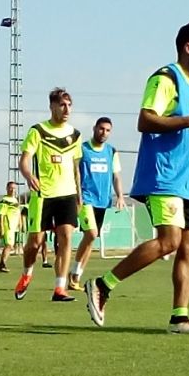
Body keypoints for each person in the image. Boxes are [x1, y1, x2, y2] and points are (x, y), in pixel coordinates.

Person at [84, 20, 189, 335]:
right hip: (164, 176)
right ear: (188, 47)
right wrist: (188, 119)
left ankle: (180, 318)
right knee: (169, 241)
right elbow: (145, 120)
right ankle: (103, 285)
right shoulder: (165, 78)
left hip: (188, 182)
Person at [16, 87, 83, 301]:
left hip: (68, 194)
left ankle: (60, 288)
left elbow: (76, 169)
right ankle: (27, 274)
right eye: (62, 105)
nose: (66, 109)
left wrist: (79, 196)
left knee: (66, 238)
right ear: (52, 106)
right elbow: (25, 159)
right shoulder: (38, 131)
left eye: (69, 105)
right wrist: (28, 175)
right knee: (35, 242)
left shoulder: (75, 135)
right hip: (43, 194)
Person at [68, 117, 126, 290]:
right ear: (94, 128)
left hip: (102, 201)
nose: (104, 133)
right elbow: (74, 172)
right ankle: (73, 274)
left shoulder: (111, 152)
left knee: (91, 239)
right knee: (91, 234)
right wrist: (76, 196)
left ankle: (75, 276)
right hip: (86, 199)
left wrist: (120, 196)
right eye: (101, 129)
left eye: (108, 130)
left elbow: (116, 176)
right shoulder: (83, 149)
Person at [0, 181, 21, 273]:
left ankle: (1, 265)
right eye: (11, 188)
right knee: (9, 245)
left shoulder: (15, 200)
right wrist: (2, 228)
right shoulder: (5, 200)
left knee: (10, 246)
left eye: (14, 188)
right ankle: (2, 265)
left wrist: (19, 223)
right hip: (8, 226)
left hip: (13, 227)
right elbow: (1, 215)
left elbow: (17, 212)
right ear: (7, 189)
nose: (12, 190)